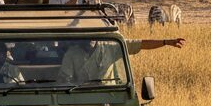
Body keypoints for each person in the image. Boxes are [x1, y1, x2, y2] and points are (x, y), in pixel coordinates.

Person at [58, 35, 186, 85]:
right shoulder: (72, 54)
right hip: (82, 96)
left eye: (92, 35)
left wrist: (165, 42)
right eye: (85, 36)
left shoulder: (111, 47)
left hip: (110, 95)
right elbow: (65, 80)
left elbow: (140, 44)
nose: (89, 40)